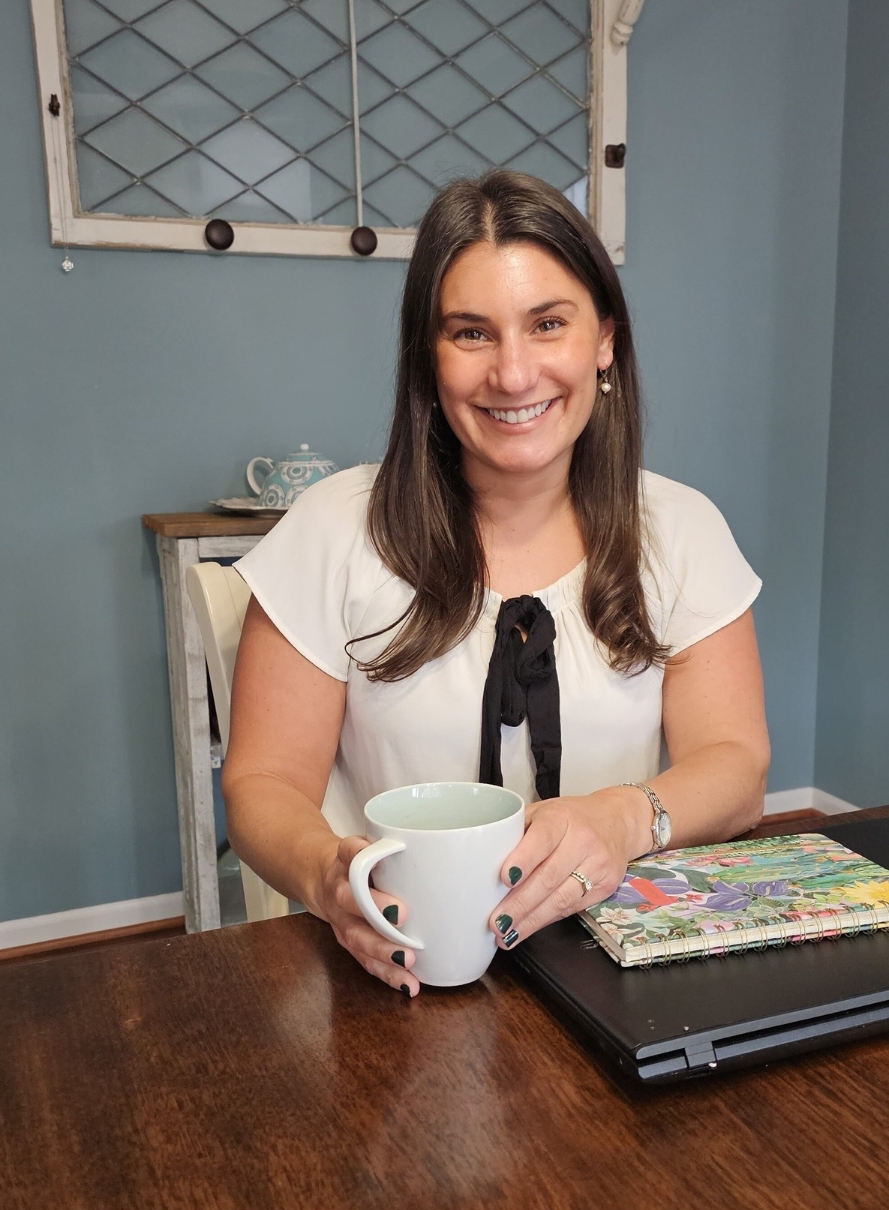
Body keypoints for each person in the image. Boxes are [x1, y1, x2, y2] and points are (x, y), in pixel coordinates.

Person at [224, 171, 770, 997]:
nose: (513, 375)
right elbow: (263, 783)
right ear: (427, 359)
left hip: (618, 978)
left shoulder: (684, 529)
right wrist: (321, 878)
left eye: (547, 323)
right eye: (471, 333)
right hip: (390, 975)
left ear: (604, 341)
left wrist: (623, 817)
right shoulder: (331, 530)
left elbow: (735, 766)